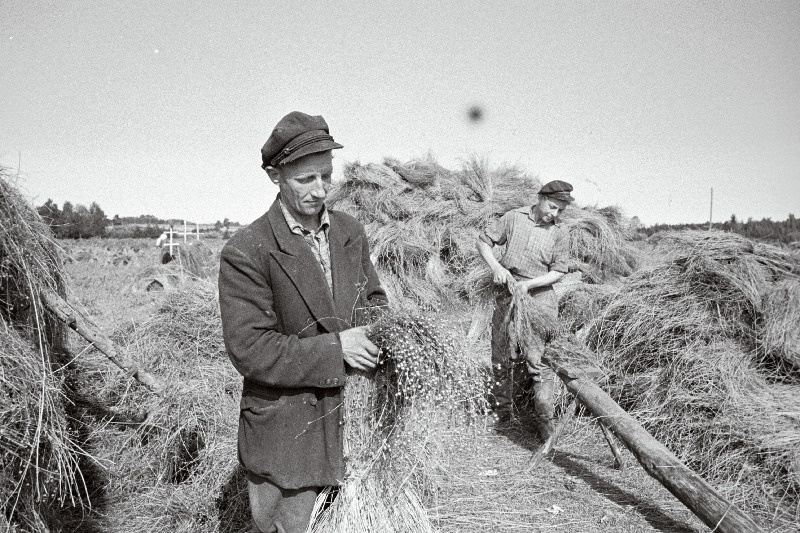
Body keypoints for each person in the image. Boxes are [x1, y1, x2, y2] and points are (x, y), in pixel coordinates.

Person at [218, 111, 387, 533]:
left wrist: (385, 333)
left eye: (326, 177)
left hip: (355, 422)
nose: (320, 190)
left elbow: (374, 299)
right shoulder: (248, 250)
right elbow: (251, 350)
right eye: (305, 180)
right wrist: (338, 348)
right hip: (288, 433)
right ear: (275, 176)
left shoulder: (350, 231)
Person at [476, 180, 575, 439]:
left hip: (539, 297)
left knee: (538, 360)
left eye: (560, 211)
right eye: (552, 207)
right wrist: (497, 268)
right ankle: (501, 412)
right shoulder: (512, 218)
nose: (555, 214)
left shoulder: (560, 232)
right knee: (501, 355)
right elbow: (484, 242)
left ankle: (544, 420)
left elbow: (559, 271)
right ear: (540, 198)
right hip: (506, 292)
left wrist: (530, 284)